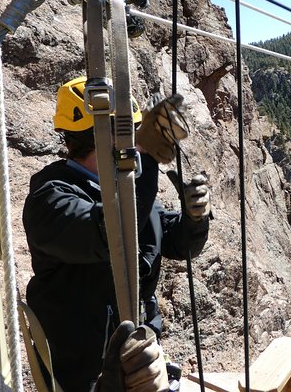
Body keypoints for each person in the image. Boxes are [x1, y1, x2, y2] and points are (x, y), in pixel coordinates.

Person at [23, 77, 211, 391]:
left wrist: (194, 220)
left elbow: (176, 242)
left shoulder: (124, 187)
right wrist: (147, 158)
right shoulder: (50, 199)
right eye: (129, 132)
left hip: (137, 360)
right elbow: (112, 233)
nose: (134, 143)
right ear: (103, 136)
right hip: (86, 375)